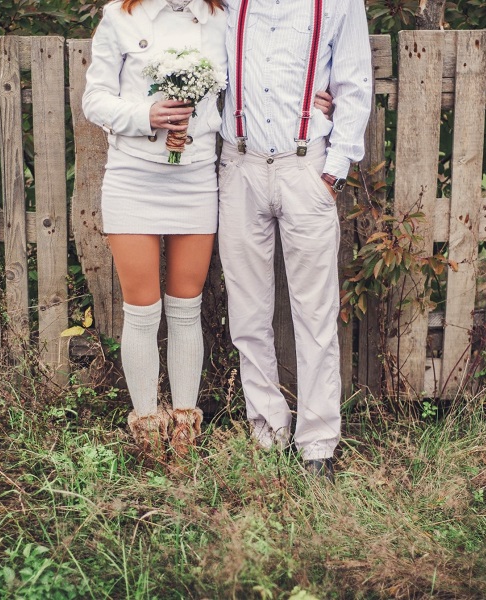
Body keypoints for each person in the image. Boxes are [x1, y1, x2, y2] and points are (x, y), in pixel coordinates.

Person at [82, 0, 335, 464]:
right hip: (134, 176)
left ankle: (183, 432)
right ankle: (146, 434)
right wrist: (147, 115)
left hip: (196, 177)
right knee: (142, 311)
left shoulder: (223, 17)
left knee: (185, 309)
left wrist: (315, 95)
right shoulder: (120, 15)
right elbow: (94, 99)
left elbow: (258, 75)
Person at [218, 0, 373, 480]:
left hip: (305, 167)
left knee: (315, 313)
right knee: (247, 312)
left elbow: (353, 80)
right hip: (239, 164)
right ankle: (267, 432)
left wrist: (334, 171)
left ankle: (318, 445)